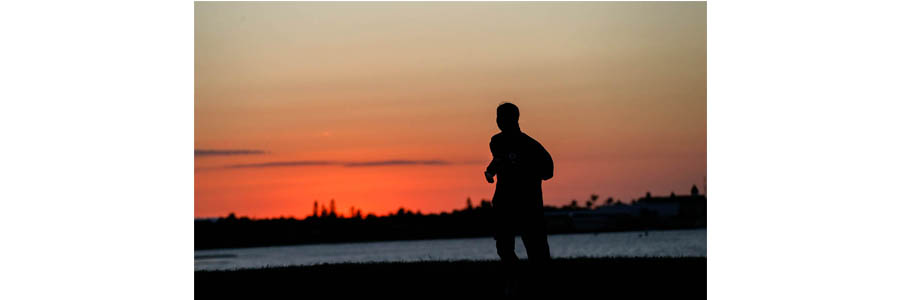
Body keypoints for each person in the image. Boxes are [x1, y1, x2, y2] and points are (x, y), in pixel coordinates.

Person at [484, 102, 553, 264]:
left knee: (537, 249)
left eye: (502, 117)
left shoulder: (532, 146)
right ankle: (516, 279)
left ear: (514, 119)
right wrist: (490, 172)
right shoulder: (497, 141)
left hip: (529, 203)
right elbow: (499, 159)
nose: (499, 121)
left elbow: (548, 172)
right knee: (504, 247)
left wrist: (526, 171)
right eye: (498, 117)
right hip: (504, 202)